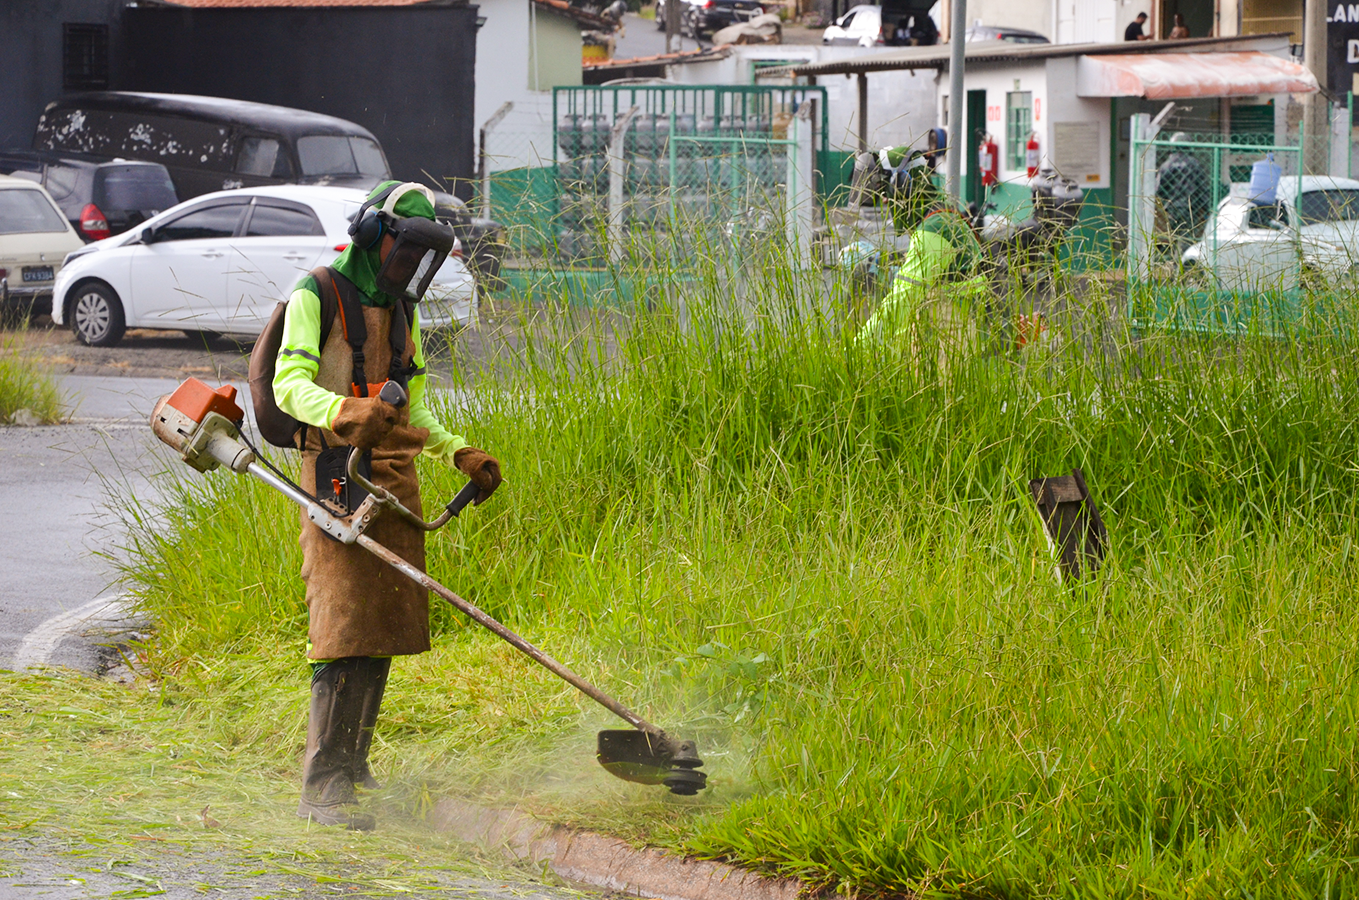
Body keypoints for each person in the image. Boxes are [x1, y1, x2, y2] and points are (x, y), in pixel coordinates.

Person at [272, 180, 503, 831]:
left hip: (395, 480)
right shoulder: (315, 293)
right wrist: (349, 412)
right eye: (406, 250)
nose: (412, 268)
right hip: (335, 473)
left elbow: (416, 408)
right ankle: (322, 784)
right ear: (375, 235)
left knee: (382, 630)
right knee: (341, 628)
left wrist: (458, 452)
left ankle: (354, 764)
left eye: (424, 257)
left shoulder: (404, 314)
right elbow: (289, 386)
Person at [856, 152, 990, 350]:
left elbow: (903, 298)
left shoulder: (933, 230)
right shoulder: (940, 216)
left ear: (903, 184)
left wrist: (859, 347)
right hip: (951, 322)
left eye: (887, 195)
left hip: (951, 330)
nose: (885, 202)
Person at [1155, 132, 1210, 250]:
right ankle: (1182, 264)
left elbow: (1159, 188)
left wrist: (1166, 202)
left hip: (1172, 207)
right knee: (1187, 236)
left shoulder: (1166, 165)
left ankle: (1176, 262)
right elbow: (1202, 187)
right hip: (1191, 207)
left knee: (1174, 235)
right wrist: (1206, 207)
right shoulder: (1194, 164)